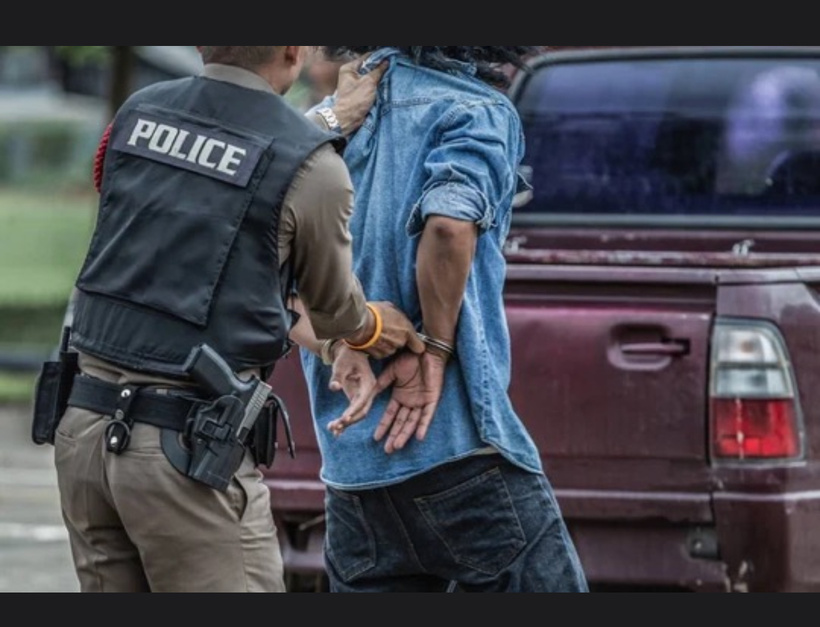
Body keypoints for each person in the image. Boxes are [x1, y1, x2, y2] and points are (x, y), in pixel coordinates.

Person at [50, 46, 423, 593]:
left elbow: (201, 239)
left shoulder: (136, 115)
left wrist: (323, 119)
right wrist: (370, 328)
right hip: (184, 454)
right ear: (295, 50)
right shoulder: (312, 165)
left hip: (83, 434)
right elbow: (335, 308)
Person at [296, 46, 589, 593]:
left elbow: (275, 276)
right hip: (456, 445)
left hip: (354, 465)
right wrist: (434, 347)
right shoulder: (475, 109)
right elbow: (450, 226)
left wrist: (342, 344)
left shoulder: (328, 121)